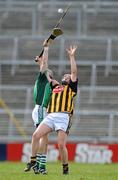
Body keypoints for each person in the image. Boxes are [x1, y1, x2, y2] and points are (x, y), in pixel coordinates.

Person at [31, 45, 78, 175]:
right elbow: (45, 73)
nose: (66, 75)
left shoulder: (71, 88)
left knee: (61, 145)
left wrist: (71, 56)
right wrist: (40, 62)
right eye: (65, 75)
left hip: (64, 116)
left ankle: (65, 168)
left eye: (67, 76)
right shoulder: (55, 86)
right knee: (36, 135)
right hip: (51, 115)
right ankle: (33, 161)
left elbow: (74, 72)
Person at [24, 40, 52, 174]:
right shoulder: (44, 79)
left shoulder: (45, 80)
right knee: (42, 138)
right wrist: (45, 49)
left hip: (41, 109)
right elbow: (45, 66)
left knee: (44, 139)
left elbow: (44, 65)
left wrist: (40, 60)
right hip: (40, 109)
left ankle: (39, 165)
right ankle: (36, 162)